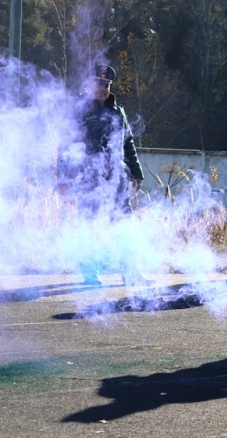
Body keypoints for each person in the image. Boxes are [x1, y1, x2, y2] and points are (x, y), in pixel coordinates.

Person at [57, 64, 150, 286]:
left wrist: (136, 173)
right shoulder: (78, 110)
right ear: (88, 84)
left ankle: (131, 273)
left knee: (124, 226)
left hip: (116, 179)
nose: (103, 88)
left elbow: (128, 144)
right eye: (98, 83)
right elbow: (64, 147)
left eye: (107, 85)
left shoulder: (118, 111)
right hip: (87, 179)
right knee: (89, 227)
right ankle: (90, 274)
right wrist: (63, 179)